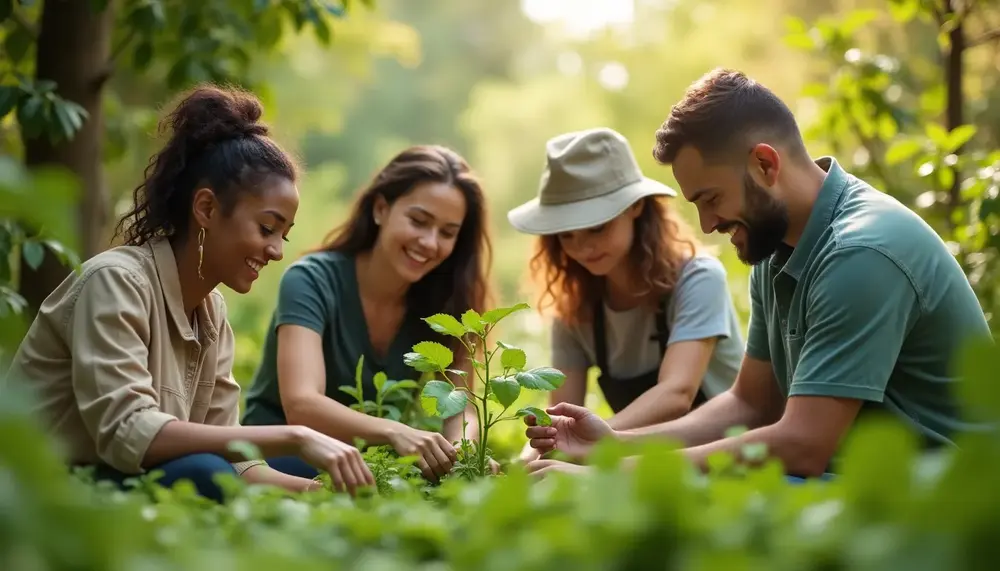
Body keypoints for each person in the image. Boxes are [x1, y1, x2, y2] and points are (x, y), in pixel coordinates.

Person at [521, 68, 992, 481]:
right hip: (858, 482)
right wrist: (612, 445)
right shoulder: (776, 248)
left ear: (765, 164)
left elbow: (805, 444)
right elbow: (749, 404)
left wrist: (614, 473)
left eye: (711, 199)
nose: (706, 224)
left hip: (943, 497)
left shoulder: (860, 252)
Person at [1, 85, 375, 503]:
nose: (276, 251)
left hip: (122, 482)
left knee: (304, 465)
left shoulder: (212, 313)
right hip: (46, 493)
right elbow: (129, 432)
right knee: (204, 471)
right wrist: (296, 433)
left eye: (283, 235)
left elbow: (240, 460)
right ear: (207, 209)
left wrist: (319, 493)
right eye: (267, 229)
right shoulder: (115, 281)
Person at [241, 145, 494, 481]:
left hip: (369, 468)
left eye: (447, 233)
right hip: (279, 461)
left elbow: (459, 409)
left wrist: (463, 453)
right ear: (380, 209)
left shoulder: (447, 304)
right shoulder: (312, 280)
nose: (430, 242)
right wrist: (394, 432)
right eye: (418, 221)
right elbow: (302, 405)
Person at [506, 127, 745, 463]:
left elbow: (676, 393)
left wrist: (584, 439)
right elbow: (557, 416)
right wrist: (519, 466)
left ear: (635, 208)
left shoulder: (698, 279)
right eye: (566, 235)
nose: (582, 247)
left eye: (597, 227)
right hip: (641, 459)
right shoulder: (575, 305)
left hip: (725, 454)